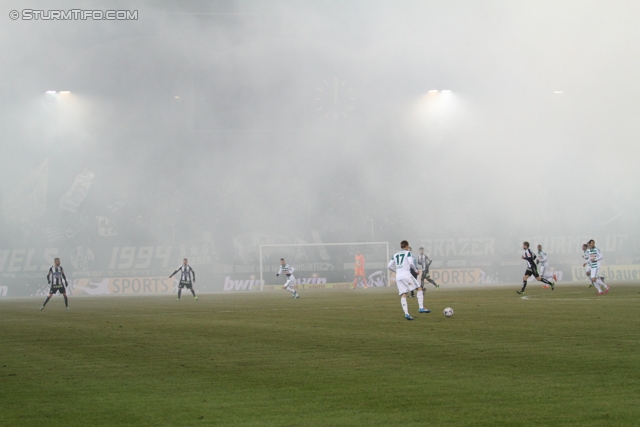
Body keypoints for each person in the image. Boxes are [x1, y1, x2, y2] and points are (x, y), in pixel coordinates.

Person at [388, 240, 431, 320]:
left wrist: (397, 271)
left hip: (398, 277)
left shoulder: (395, 254)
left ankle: (407, 314)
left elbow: (389, 266)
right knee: (419, 288)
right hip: (406, 275)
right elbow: (411, 263)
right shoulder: (408, 253)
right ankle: (421, 307)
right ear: (407, 246)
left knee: (404, 294)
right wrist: (415, 270)